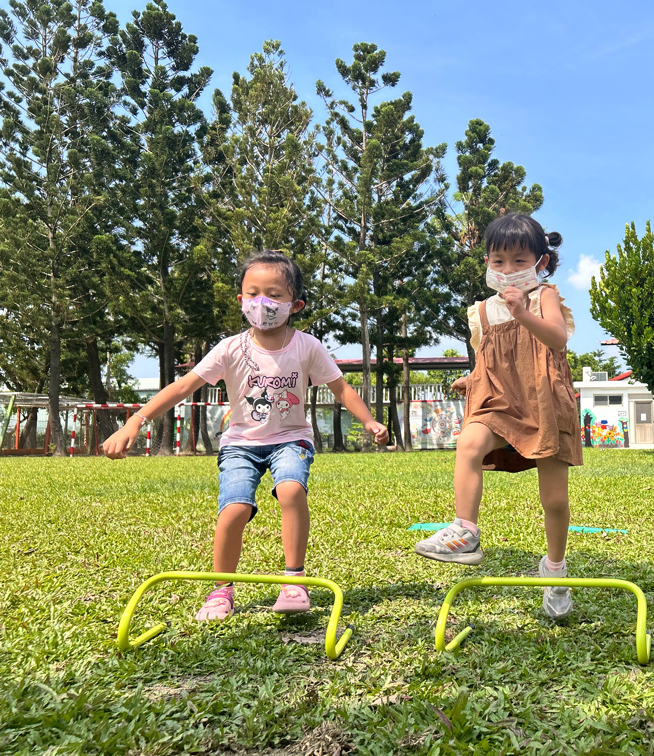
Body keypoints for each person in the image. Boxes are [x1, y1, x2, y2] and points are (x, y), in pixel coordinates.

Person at [102, 250, 388, 621]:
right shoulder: (230, 349)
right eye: (253, 294)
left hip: (291, 439)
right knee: (234, 509)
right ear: (241, 300)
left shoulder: (307, 346)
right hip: (241, 444)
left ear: (295, 305)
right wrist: (136, 420)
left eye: (274, 294)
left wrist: (369, 421)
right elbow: (183, 386)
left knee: (291, 490)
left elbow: (341, 388)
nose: (262, 302)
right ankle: (221, 590)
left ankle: (294, 581)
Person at [414, 214, 583, 619]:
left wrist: (523, 313)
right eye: (498, 261)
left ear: (541, 262)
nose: (508, 270)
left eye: (519, 261)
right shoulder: (482, 312)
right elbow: (492, 359)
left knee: (555, 500)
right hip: (499, 400)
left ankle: (555, 569)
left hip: (543, 400)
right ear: (487, 262)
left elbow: (557, 339)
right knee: (469, 443)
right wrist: (470, 378)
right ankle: (466, 531)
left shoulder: (544, 297)